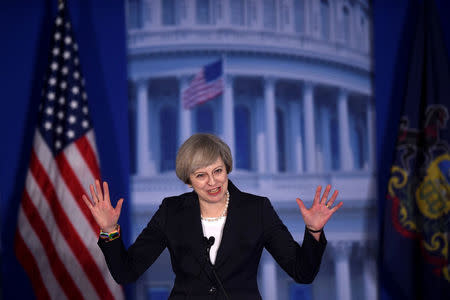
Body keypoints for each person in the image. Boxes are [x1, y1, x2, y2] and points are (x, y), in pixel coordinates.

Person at [82, 133, 343, 299]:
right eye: (201, 175)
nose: (212, 182)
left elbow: (303, 273)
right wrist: (109, 230)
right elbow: (126, 272)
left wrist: (313, 232)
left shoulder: (257, 209)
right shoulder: (171, 211)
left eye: (218, 171)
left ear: (227, 167)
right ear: (188, 181)